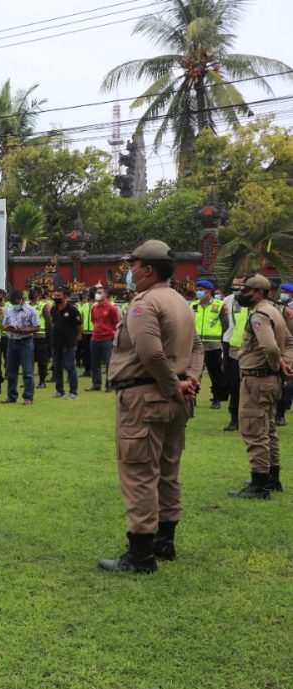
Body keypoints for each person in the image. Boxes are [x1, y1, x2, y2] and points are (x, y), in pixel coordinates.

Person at [98, 239, 203, 573]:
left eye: (134, 265)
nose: (130, 271)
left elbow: (150, 352)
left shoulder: (145, 303)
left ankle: (141, 555)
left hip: (146, 399)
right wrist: (190, 380)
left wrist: (174, 386)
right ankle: (164, 543)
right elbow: (198, 347)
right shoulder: (181, 302)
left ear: (149, 269)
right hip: (174, 400)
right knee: (168, 472)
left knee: (140, 473)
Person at [229, 274, 293, 499]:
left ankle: (259, 485)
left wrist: (278, 365)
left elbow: (270, 347)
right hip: (269, 380)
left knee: (254, 430)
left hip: (257, 379)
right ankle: (272, 478)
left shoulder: (260, 314)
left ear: (259, 293)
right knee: (269, 430)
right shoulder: (276, 311)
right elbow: (289, 343)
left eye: (246, 290)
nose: (241, 294)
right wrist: (286, 365)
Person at [190, 279, 228, 409]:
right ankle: (192, 396)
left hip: (213, 346)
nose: (198, 292)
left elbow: (225, 324)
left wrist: (218, 337)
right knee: (194, 373)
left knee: (215, 373)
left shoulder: (219, 305)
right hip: (195, 346)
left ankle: (217, 398)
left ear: (209, 292)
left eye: (201, 290)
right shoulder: (193, 305)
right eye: (197, 289)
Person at [0, 290, 39, 405]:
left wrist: (22, 330)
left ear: (22, 299)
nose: (14, 304)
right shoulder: (9, 309)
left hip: (25, 342)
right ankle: (11, 396)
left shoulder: (31, 310)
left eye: (16, 302)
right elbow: (4, 325)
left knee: (27, 371)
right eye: (12, 302)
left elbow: (37, 327)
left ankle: (28, 397)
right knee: (11, 371)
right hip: (11, 342)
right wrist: (9, 328)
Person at [221, 277, 247, 431]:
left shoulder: (255, 303)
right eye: (234, 285)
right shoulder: (228, 300)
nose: (236, 287)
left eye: (240, 285)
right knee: (234, 384)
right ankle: (234, 418)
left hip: (251, 349)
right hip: (232, 345)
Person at [49, 287, 82, 400]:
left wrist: (76, 337)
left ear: (66, 297)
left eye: (59, 296)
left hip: (69, 343)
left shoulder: (73, 310)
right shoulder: (53, 309)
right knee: (57, 367)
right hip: (56, 343)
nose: (56, 298)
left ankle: (73, 392)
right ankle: (59, 390)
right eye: (55, 296)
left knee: (70, 367)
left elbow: (79, 326)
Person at [88, 288, 120, 392]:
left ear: (105, 295)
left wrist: (111, 333)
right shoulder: (94, 308)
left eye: (99, 293)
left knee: (108, 363)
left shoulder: (111, 308)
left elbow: (117, 323)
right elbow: (94, 321)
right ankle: (96, 385)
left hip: (107, 338)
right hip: (95, 338)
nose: (97, 294)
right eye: (96, 293)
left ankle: (109, 385)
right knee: (94, 363)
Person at [276, 282, 293, 426]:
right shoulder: (276, 306)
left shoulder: (289, 308)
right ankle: (278, 413)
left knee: (287, 382)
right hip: (282, 346)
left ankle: (281, 413)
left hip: (289, 348)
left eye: (285, 292)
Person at [29, 290, 51, 389]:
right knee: (28, 360)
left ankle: (42, 381)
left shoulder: (43, 305)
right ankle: (29, 380)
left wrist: (49, 334)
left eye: (32, 292)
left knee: (42, 361)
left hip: (40, 336)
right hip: (28, 336)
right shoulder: (26, 305)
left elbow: (48, 321)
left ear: (37, 294)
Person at [77, 290, 94, 376]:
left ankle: (93, 370)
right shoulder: (84, 306)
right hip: (86, 332)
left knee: (94, 352)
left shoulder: (97, 306)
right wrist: (80, 333)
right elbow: (81, 319)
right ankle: (87, 370)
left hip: (95, 332)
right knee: (86, 352)